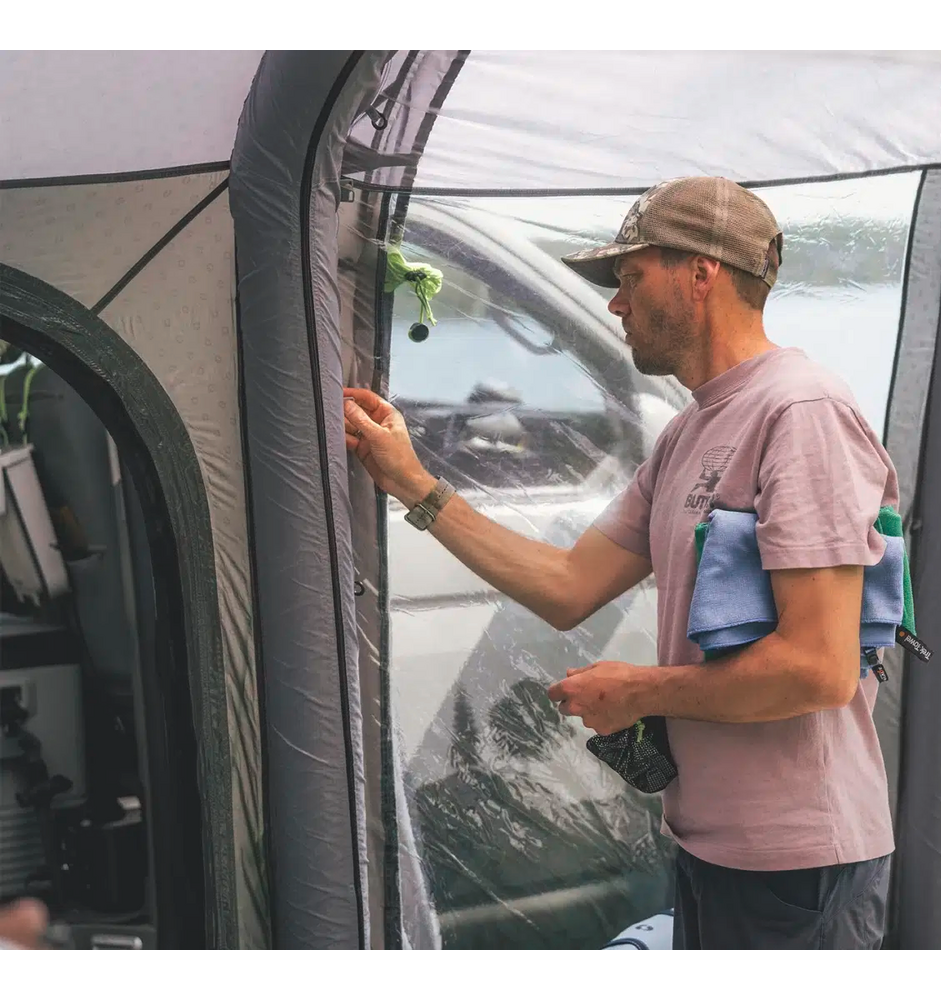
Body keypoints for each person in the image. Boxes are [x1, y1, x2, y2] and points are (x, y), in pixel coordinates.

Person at [344, 176, 898, 949]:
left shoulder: (801, 414)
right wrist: (413, 483)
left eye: (631, 276)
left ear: (700, 273)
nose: (616, 303)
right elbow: (569, 586)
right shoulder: (689, 434)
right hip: (712, 847)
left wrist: (638, 690)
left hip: (796, 864)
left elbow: (819, 668)